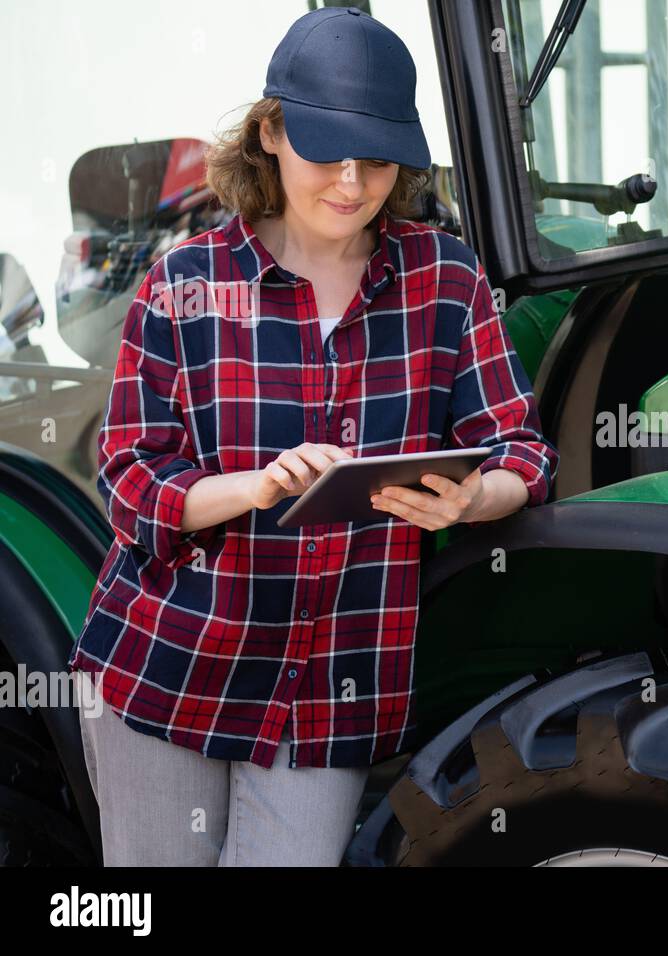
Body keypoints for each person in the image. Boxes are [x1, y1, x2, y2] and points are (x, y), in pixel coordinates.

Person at [66, 6, 558, 866]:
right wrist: (256, 487)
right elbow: (131, 483)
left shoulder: (445, 278)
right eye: (326, 151)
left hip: (336, 681)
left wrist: (474, 498)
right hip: (167, 668)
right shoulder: (184, 285)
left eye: (375, 158)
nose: (351, 180)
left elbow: (522, 450)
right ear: (269, 131)